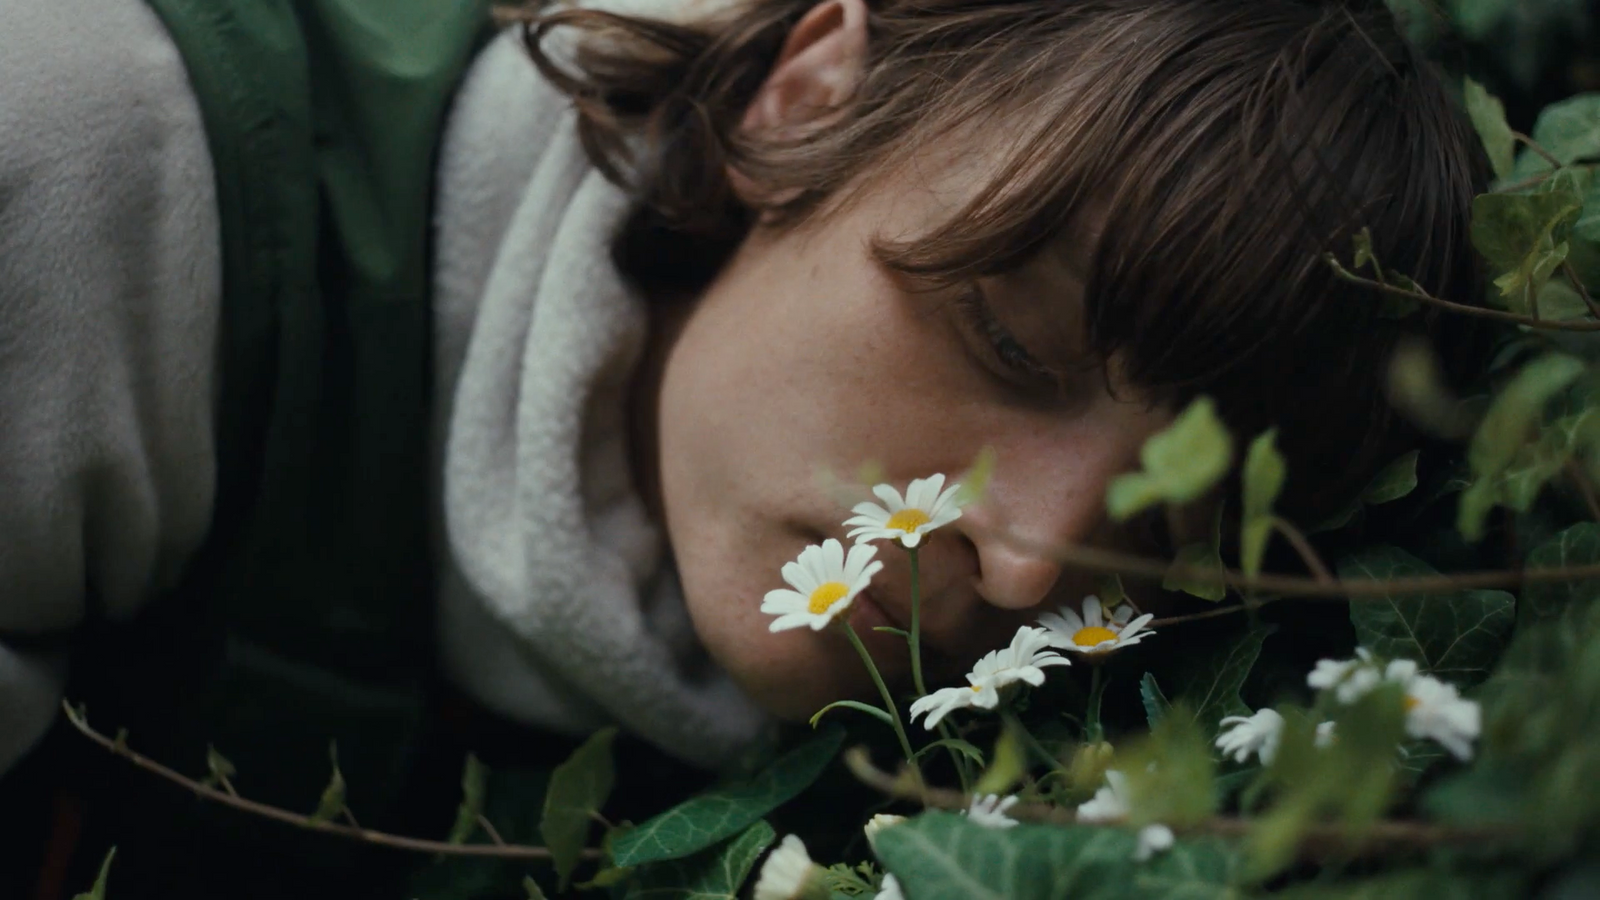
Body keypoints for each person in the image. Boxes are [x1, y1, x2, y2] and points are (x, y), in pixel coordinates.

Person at [0, 0, 1488, 896]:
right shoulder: (90, 175)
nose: (1032, 555)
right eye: (1011, 344)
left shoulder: (973, 777)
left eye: (1170, 522)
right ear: (805, 95)